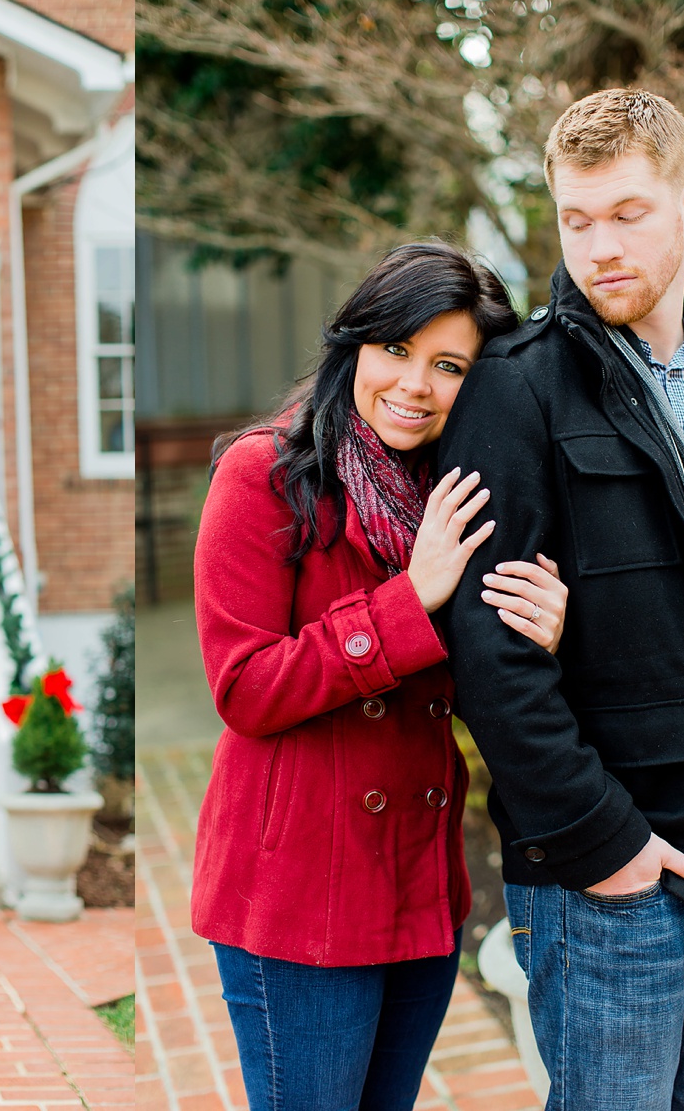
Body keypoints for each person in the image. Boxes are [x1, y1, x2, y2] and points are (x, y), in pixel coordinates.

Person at [438, 88, 684, 1110]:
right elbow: (487, 653)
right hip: (606, 884)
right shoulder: (515, 389)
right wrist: (602, 845)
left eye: (627, 214)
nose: (599, 246)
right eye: (576, 221)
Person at [191, 242, 573, 1110]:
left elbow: (485, 679)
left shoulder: (459, 486)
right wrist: (411, 599)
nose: (413, 384)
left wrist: (544, 632)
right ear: (356, 344)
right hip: (296, 897)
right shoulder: (265, 473)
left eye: (448, 365)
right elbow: (244, 687)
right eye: (396, 350)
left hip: (418, 886)